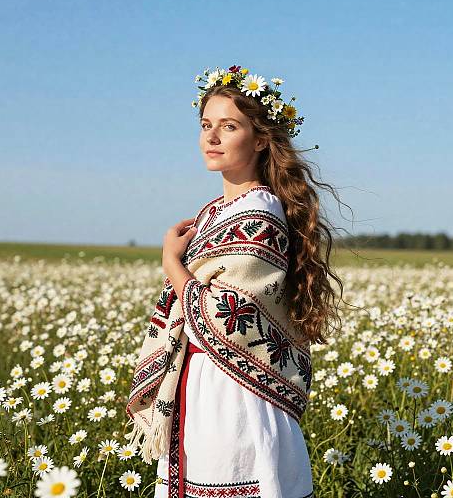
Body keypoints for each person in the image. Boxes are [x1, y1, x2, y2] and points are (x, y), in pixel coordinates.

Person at [125, 65, 346, 498]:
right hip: (202, 384)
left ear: (262, 139)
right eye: (206, 125)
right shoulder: (213, 213)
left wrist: (172, 262)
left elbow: (232, 315)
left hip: (235, 394)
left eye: (229, 126)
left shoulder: (259, 211)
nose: (211, 137)